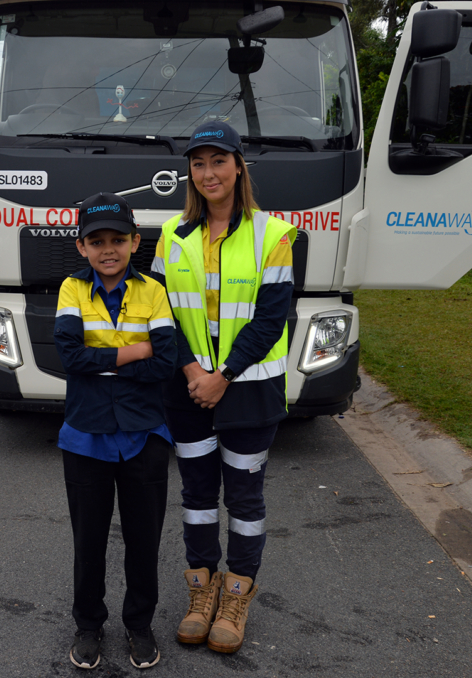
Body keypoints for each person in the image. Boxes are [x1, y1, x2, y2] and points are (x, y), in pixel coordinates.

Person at [150, 121, 296, 654]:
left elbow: (270, 318)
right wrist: (193, 373)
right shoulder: (171, 235)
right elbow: (160, 314)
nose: (208, 173)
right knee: (196, 494)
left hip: (249, 391)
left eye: (218, 162)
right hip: (187, 390)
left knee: (244, 495)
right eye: (198, 164)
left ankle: (236, 595)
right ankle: (200, 591)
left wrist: (223, 376)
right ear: (190, 173)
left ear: (238, 167)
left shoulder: (273, 235)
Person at [55, 192, 178, 670]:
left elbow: (165, 362)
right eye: (97, 240)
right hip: (85, 435)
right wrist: (135, 350)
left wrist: (103, 363)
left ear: (135, 242)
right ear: (81, 246)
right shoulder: (71, 289)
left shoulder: (152, 291)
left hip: (144, 434)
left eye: (118, 240)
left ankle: (139, 625)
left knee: (144, 542)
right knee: (88, 543)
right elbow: (71, 358)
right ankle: (88, 625)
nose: (109, 249)